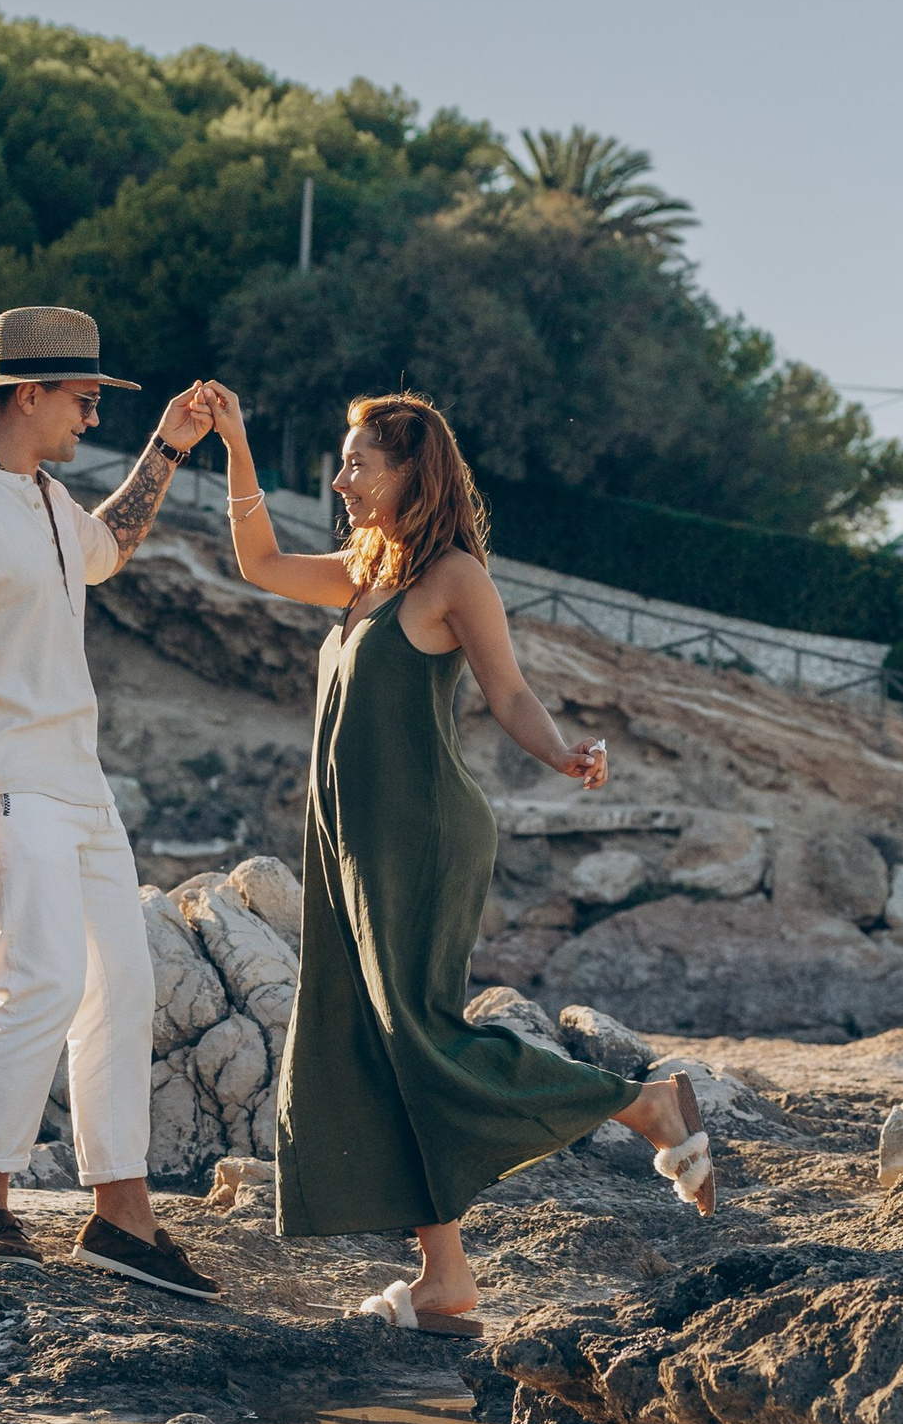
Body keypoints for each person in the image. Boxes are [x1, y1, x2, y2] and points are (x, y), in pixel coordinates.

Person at [181, 378, 716, 1332]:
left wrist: (561, 752)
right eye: (342, 461)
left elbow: (508, 692)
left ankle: (642, 1106)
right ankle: (446, 1279)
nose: (341, 477)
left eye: (357, 463)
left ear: (407, 474)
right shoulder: (361, 573)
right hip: (348, 839)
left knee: (420, 1035)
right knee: (372, 1044)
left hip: (421, 836)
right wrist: (235, 444)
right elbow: (258, 561)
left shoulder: (452, 579)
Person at [0, 303, 220, 1297]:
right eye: (81, 398)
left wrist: (169, 444)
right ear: (25, 393)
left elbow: (110, 543)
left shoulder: (40, 497)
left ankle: (121, 1216)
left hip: (80, 784)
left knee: (120, 982)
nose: (91, 416)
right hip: (6, 789)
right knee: (39, 980)